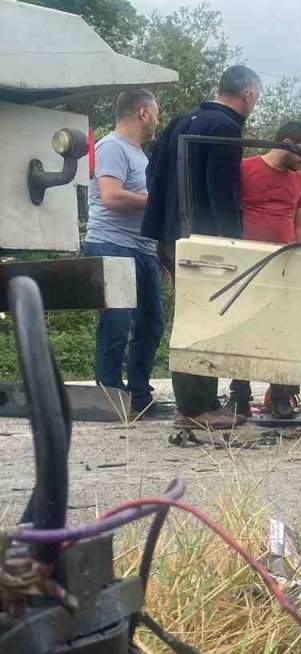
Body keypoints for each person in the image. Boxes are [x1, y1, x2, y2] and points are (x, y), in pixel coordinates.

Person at [142, 65, 261, 430]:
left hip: (168, 235)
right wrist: (233, 245)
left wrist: (162, 229)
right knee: (206, 322)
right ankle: (198, 408)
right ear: (249, 95)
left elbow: (151, 175)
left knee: (189, 319)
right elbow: (222, 192)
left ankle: (191, 405)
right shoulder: (225, 128)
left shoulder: (181, 121)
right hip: (206, 244)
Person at [84, 89, 164, 418]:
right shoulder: (112, 147)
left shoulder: (140, 156)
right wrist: (160, 203)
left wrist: (158, 251)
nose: (158, 120)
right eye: (156, 113)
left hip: (141, 248)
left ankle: (139, 394)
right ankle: (111, 395)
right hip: (111, 243)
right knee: (117, 322)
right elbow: (111, 197)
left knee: (152, 322)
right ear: (143, 113)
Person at [240, 121, 301, 418]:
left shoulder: (298, 181)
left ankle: (282, 395)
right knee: (244, 328)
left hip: (285, 264)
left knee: (285, 330)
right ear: (286, 143)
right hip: (249, 264)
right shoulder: (244, 169)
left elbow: (300, 222)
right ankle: (240, 395)